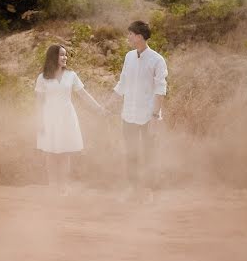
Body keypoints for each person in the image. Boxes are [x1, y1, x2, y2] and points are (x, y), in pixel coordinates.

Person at [35, 44, 106, 195]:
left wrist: (98, 108)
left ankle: (63, 186)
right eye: (61, 55)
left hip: (67, 116)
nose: (65, 57)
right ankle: (52, 185)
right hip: (49, 117)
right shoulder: (42, 78)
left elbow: (84, 94)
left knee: (65, 152)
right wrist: (40, 121)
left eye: (66, 55)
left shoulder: (71, 75)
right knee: (50, 152)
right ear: (53, 57)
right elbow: (39, 102)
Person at [111, 20, 168, 201]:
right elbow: (122, 83)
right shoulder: (129, 56)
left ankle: (149, 191)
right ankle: (134, 189)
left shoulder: (157, 60)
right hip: (128, 114)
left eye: (130, 34)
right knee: (131, 152)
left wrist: (154, 117)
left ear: (139, 36)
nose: (128, 37)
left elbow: (160, 90)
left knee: (149, 153)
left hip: (148, 116)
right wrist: (109, 103)